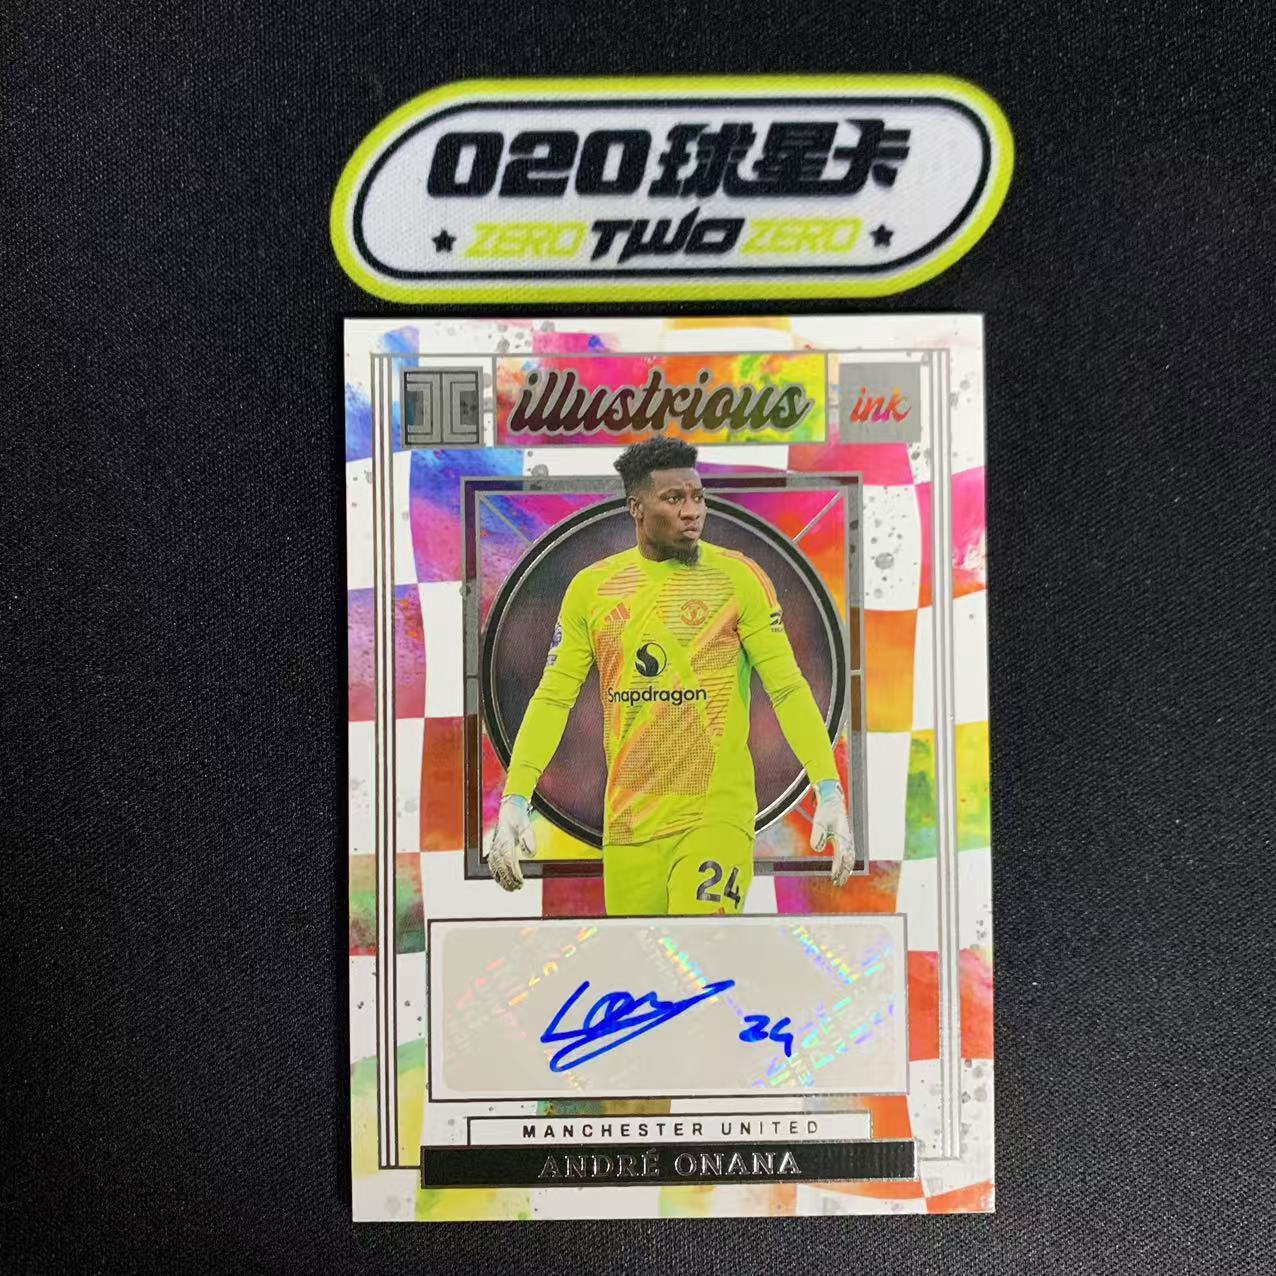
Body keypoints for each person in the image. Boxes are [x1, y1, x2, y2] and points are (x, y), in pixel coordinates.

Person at [488, 436, 855, 914]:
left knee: (700, 948)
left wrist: (827, 788)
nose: (692, 511)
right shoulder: (592, 589)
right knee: (643, 961)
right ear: (637, 509)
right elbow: (553, 698)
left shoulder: (739, 578)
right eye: (674, 498)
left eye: (698, 497)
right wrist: (516, 798)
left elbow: (787, 688)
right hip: (628, 826)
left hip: (714, 817)